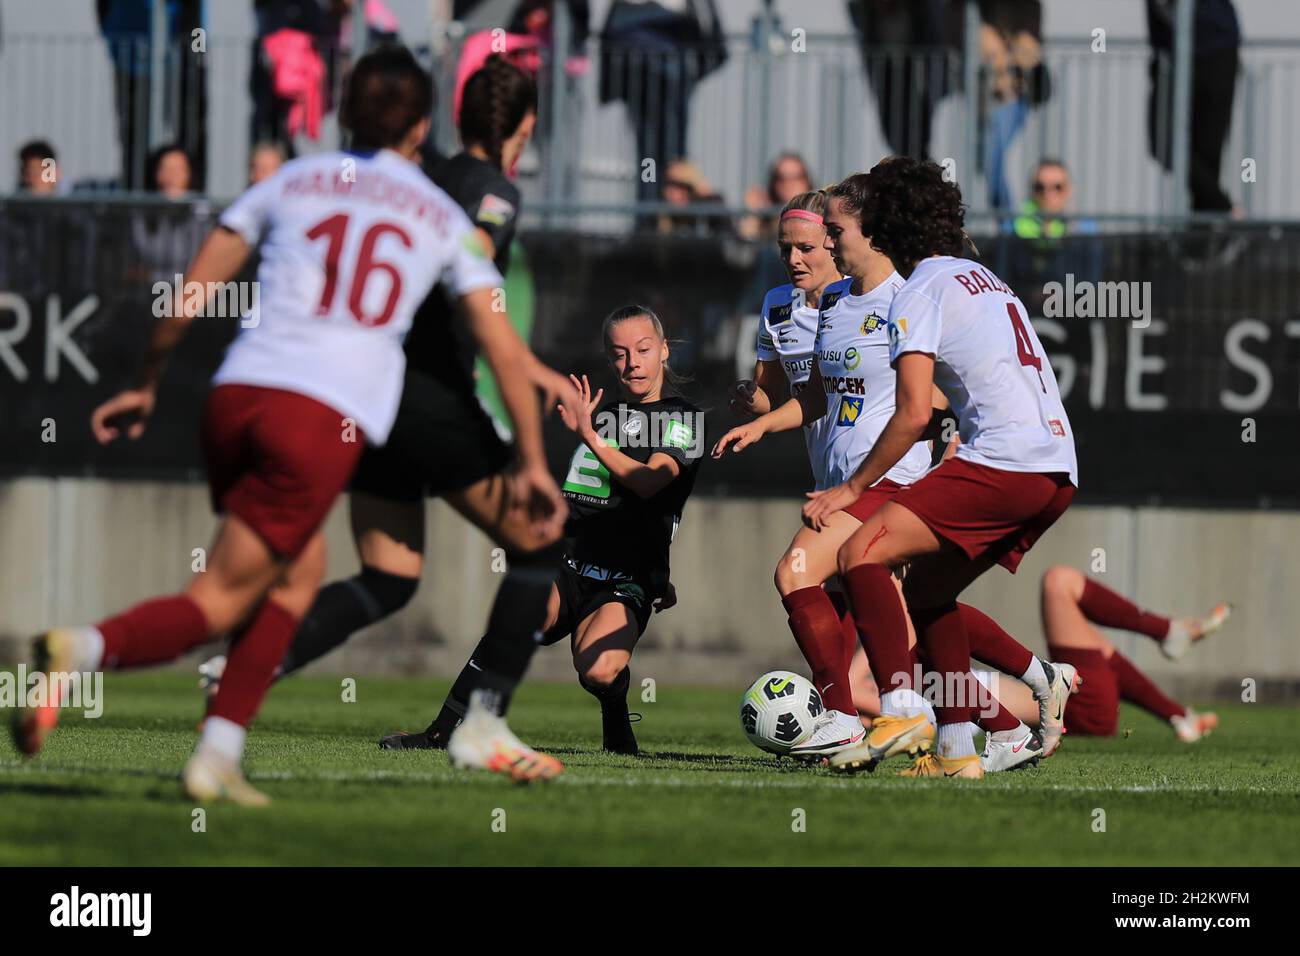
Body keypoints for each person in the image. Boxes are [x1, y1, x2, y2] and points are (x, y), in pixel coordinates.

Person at [10, 46, 553, 803]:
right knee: (220, 602)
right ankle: (80, 649)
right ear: (422, 125)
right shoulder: (435, 210)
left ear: (340, 115)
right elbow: (496, 337)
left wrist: (145, 385)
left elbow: (189, 294)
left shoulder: (291, 179)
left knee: (293, 580)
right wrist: (529, 456)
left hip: (234, 398)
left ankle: (217, 756)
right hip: (317, 413)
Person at [201, 55, 579, 779]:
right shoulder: (491, 193)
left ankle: (248, 667)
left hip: (363, 401)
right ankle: (483, 723)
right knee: (538, 542)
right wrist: (532, 384)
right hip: (429, 401)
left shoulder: (417, 174)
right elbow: (468, 307)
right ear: (524, 129)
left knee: (389, 572)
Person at [717, 178, 1076, 770]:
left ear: (869, 230)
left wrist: (949, 438)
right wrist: (759, 421)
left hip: (896, 474)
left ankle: (844, 718)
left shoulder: (911, 293)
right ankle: (1007, 720)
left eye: (824, 237)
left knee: (799, 570)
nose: (807, 254)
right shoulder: (828, 305)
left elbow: (926, 399)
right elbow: (816, 396)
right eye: (792, 246)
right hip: (855, 476)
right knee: (917, 620)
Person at [388, 306, 705, 755]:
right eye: (619, 353)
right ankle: (442, 731)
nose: (632, 362)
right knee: (517, 619)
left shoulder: (685, 419)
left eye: (643, 349)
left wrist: (591, 439)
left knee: (597, 670)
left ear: (664, 351)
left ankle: (615, 719)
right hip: (570, 563)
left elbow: (650, 483)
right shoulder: (600, 414)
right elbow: (590, 502)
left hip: (626, 580)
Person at [986, 568, 1229, 742]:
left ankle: (1178, 713)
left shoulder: (955, 685)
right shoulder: (952, 693)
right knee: (1058, 583)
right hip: (1083, 711)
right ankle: (1168, 632)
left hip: (1081, 708)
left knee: (1087, 632)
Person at [1145, 0, 1241, 214]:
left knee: (1206, 151)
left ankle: (1207, 230)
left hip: (1215, 51)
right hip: (1171, 55)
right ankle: (1222, 209)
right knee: (1164, 143)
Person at [738, 152, 814, 241]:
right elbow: (746, 247)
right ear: (773, 183)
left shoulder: (820, 215)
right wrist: (753, 215)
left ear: (807, 181)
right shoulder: (765, 219)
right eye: (782, 178)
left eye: (796, 177)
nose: (789, 184)